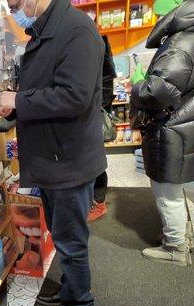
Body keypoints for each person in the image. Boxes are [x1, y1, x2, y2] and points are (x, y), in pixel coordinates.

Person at [0, 0, 107, 306]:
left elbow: (74, 96)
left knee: (70, 239)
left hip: (68, 159)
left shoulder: (76, 30)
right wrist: (14, 104)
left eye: (14, 3)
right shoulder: (47, 31)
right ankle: (72, 289)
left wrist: (20, 100)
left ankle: (80, 305)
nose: (13, 9)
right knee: (62, 231)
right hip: (54, 157)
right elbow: (45, 89)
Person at [130, 0, 194, 265]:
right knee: (174, 187)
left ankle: (175, 248)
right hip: (188, 124)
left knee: (166, 189)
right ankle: (181, 235)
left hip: (172, 128)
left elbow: (158, 91)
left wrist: (137, 84)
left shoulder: (183, 40)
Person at [88, 35, 117, 222]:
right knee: (94, 160)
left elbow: (103, 87)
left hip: (94, 116)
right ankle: (95, 201)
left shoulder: (95, 47)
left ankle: (99, 203)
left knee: (95, 161)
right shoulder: (99, 46)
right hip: (94, 113)